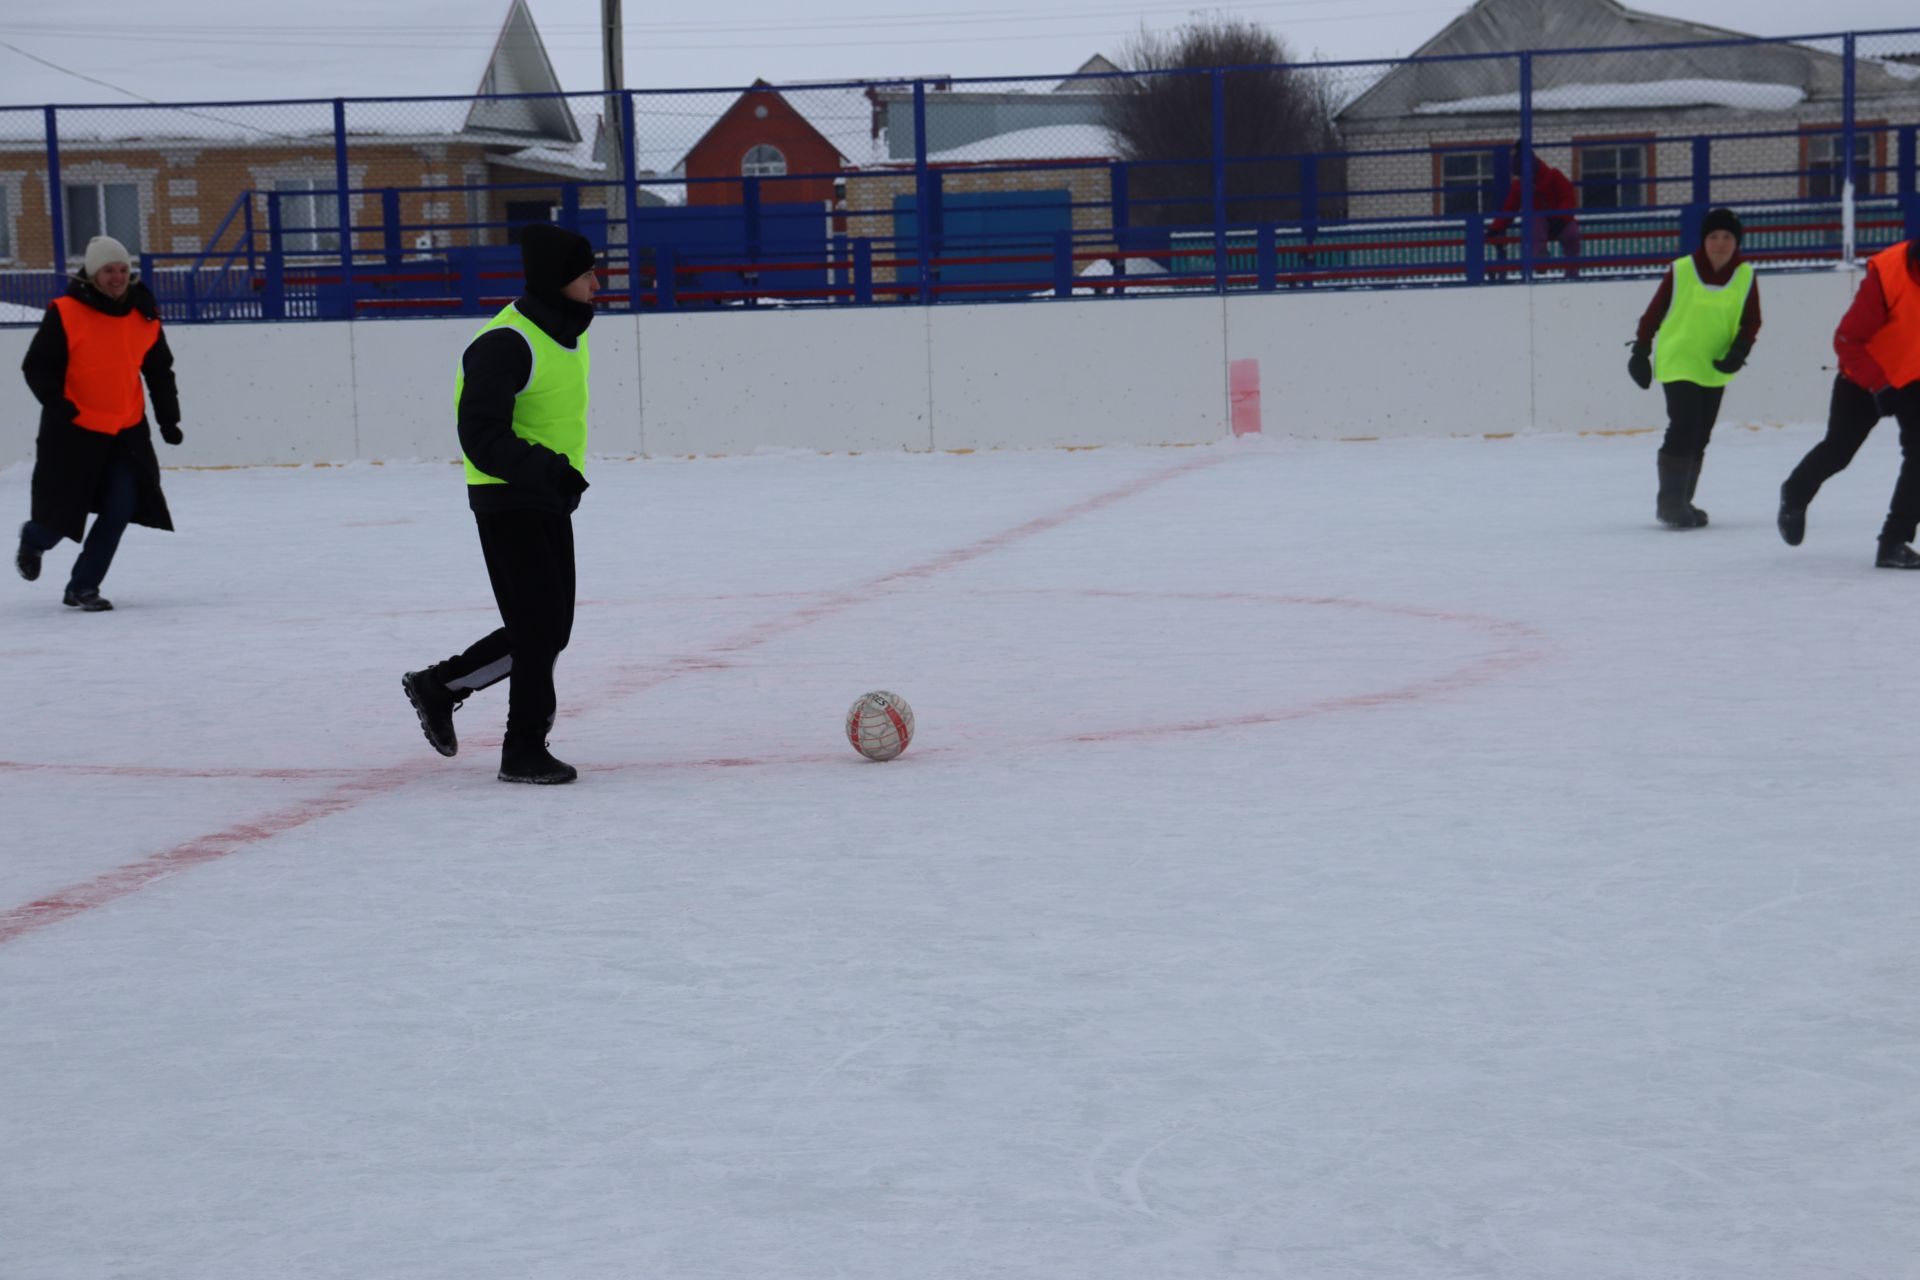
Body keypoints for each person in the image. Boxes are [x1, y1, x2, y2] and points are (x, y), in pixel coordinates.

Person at [403, 224, 597, 784]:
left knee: (549, 627)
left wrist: (558, 480)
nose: (595, 281)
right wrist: (549, 471)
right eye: (586, 272)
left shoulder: (563, 330)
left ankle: (439, 687)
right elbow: (481, 434)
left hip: (545, 496)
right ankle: (523, 750)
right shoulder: (505, 341)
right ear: (560, 280)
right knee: (538, 627)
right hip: (508, 497)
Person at [15, 236, 182, 610]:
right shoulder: (66, 311)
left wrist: (168, 419)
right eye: (109, 270)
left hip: (126, 430)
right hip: (75, 430)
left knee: (120, 508)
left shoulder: (145, 313)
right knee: (61, 514)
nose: (117, 277)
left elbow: (159, 371)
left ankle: (83, 587)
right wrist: (58, 405)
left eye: (123, 270)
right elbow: (38, 366)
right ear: (93, 273)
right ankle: (35, 540)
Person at [1777, 239, 1920, 567]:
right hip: (1864, 377)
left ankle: (1893, 542)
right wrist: (1880, 386)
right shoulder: (1888, 274)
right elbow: (1847, 339)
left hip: (1914, 378)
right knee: (1839, 450)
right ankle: (1796, 493)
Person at [1627, 207, 1761, 528]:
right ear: (1703, 240)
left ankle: (1683, 500)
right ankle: (1670, 505)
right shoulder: (1682, 270)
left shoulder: (1744, 275)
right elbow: (1654, 312)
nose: (1719, 243)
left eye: (1727, 237)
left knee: (1701, 433)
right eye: (1713, 236)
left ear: (1736, 242)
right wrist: (1641, 350)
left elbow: (1751, 321)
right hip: (1679, 362)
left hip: (1714, 366)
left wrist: (1739, 351)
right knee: (1684, 425)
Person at [1489, 145, 1582, 276]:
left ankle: (1572, 272)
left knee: (1572, 233)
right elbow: (1509, 210)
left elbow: (1568, 197)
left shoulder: (1553, 176)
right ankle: (1540, 260)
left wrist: (1561, 217)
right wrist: (1495, 228)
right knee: (1536, 221)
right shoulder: (1519, 186)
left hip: (1561, 220)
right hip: (1540, 225)